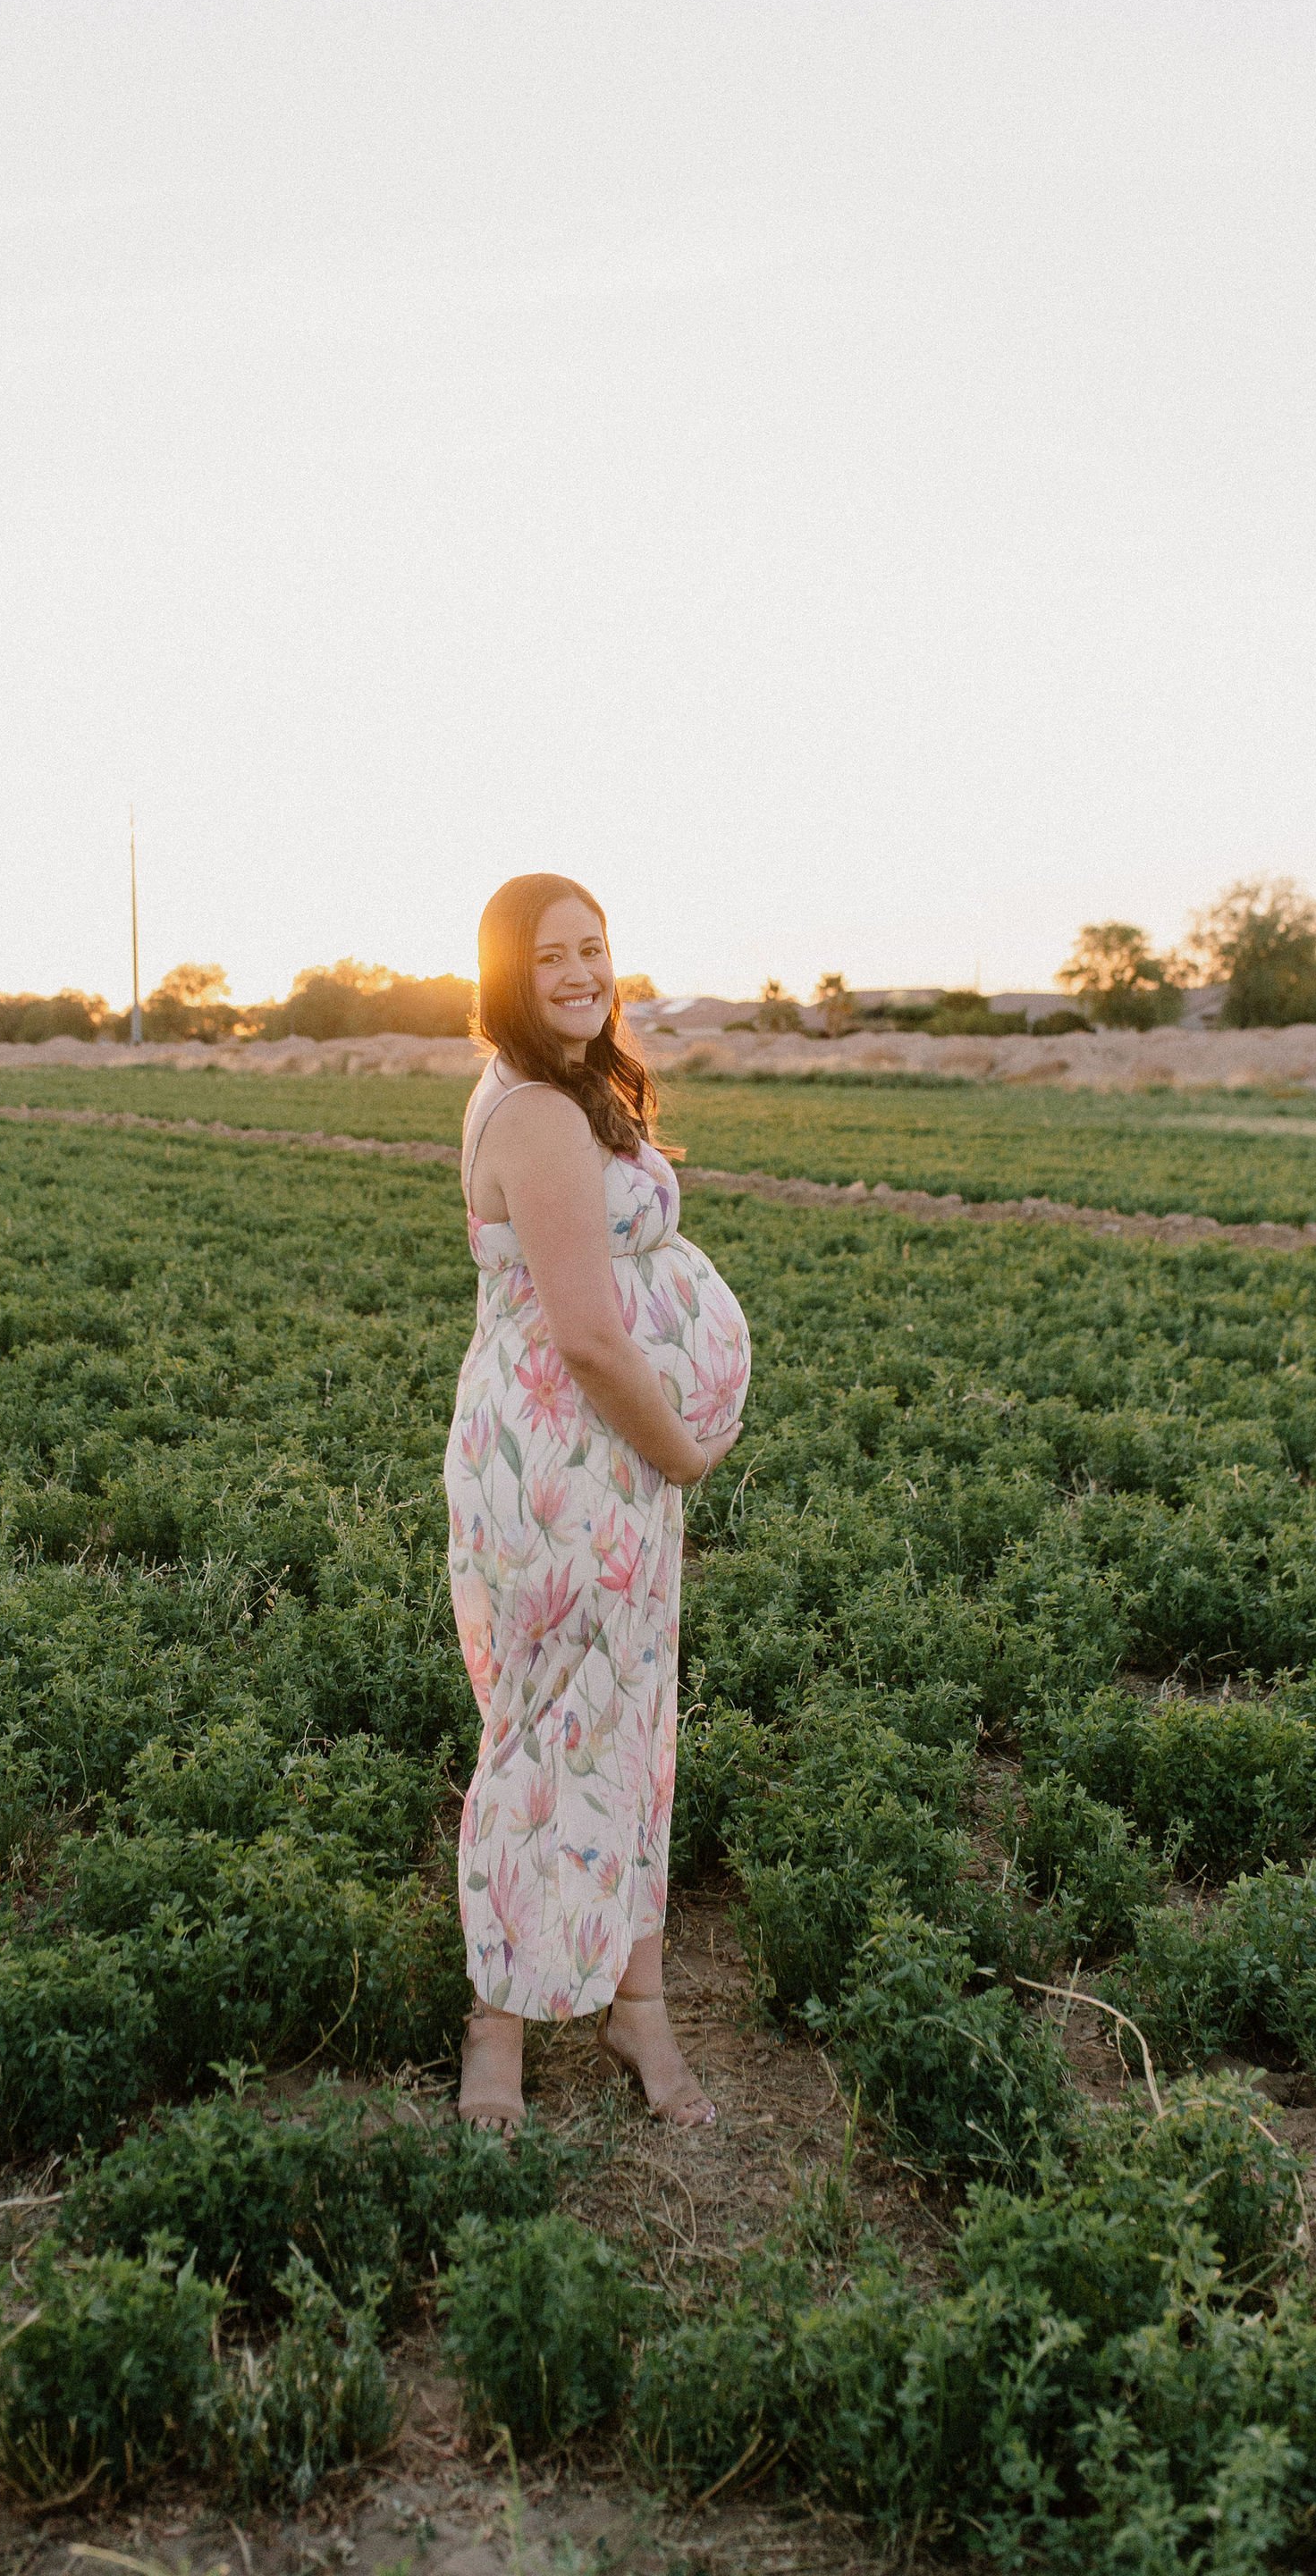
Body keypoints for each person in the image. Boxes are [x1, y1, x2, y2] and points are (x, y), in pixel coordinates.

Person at [444, 873, 751, 2131]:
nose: (580, 972)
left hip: (601, 1468)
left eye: (595, 949)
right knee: (540, 1740)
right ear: (507, 975)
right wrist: (682, 1450)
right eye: (551, 956)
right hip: (573, 1467)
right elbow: (587, 1336)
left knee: (629, 1733)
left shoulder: (576, 1092)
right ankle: (496, 2036)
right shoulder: (534, 1115)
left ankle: (637, 2007)